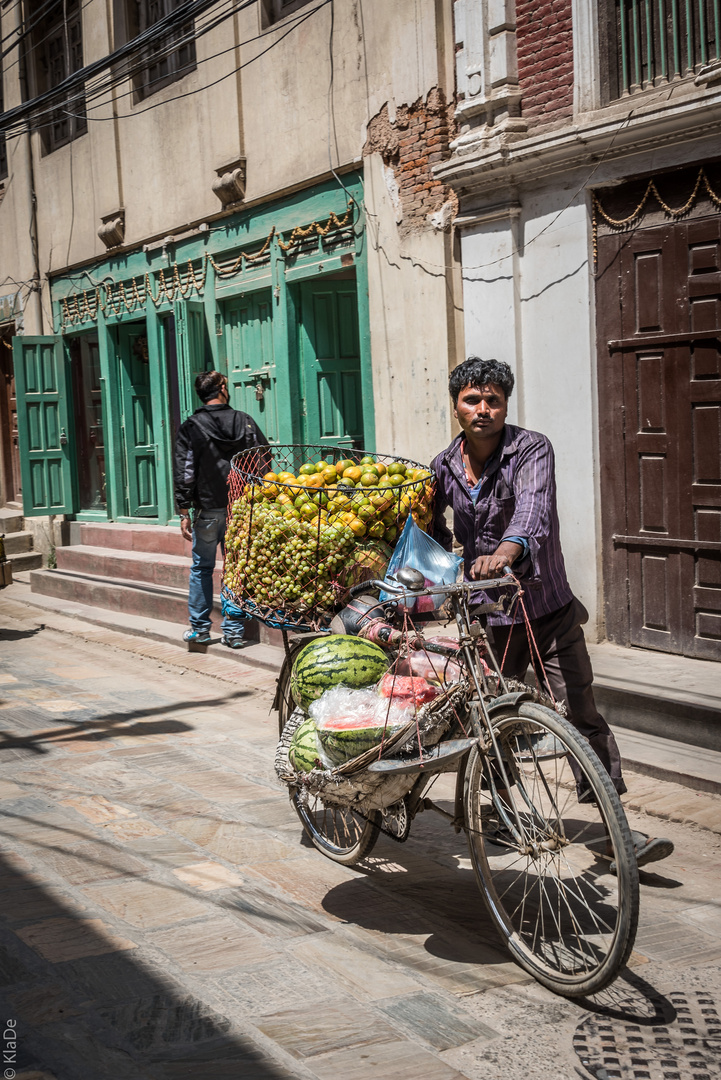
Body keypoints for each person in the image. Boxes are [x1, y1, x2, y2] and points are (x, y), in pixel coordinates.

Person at [431, 356, 673, 871]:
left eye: (493, 399)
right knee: (490, 721)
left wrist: (507, 550)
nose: (483, 409)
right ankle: (498, 805)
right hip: (487, 619)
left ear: (505, 405)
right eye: (473, 399)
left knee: (581, 714)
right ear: (456, 406)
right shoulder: (442, 466)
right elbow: (430, 525)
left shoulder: (530, 448)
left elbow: (533, 510)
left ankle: (615, 831)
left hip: (546, 608)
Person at [173, 370, 268, 648]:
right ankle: (234, 632)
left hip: (208, 509)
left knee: (202, 567)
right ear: (222, 388)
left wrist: (183, 509)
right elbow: (263, 460)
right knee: (235, 568)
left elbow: (185, 472)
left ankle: (200, 630)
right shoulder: (245, 421)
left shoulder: (191, 426)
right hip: (241, 507)